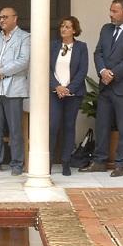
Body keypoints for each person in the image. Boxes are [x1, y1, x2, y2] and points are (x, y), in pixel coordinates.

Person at [80, 0, 123, 177]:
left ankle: (120, 164)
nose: (110, 14)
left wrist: (112, 74)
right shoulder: (106, 29)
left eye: (114, 11)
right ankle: (99, 161)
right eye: (110, 10)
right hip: (106, 87)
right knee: (102, 125)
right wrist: (102, 71)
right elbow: (98, 52)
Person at [0, 7, 30, 176]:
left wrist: (0, 71)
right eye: (0, 17)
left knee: (15, 129)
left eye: (5, 17)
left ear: (15, 18)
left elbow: (23, 61)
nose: (1, 20)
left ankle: (17, 163)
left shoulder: (25, 37)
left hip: (13, 90)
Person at [49, 16, 88, 176]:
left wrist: (69, 88)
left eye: (67, 27)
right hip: (54, 93)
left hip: (73, 94)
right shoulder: (53, 45)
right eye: (62, 26)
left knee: (69, 126)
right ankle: (48, 161)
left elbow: (82, 71)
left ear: (74, 30)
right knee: (53, 126)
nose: (63, 29)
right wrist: (57, 86)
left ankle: (66, 161)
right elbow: (46, 68)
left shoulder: (81, 47)